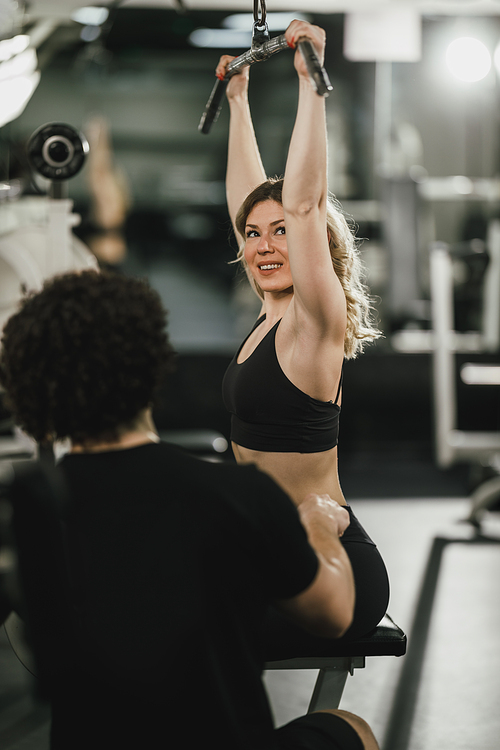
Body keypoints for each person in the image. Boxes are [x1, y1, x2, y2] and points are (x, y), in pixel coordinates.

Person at [0, 269, 379, 750]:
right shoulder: (238, 495)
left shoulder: (27, 511)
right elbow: (334, 614)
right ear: (152, 364)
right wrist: (319, 525)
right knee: (351, 730)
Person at [218, 19, 389, 647]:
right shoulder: (268, 312)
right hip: (273, 551)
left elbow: (305, 205)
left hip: (331, 566)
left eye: (279, 232)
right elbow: (249, 201)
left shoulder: (314, 321)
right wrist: (238, 103)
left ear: (313, 245)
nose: (262, 244)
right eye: (253, 235)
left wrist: (308, 84)